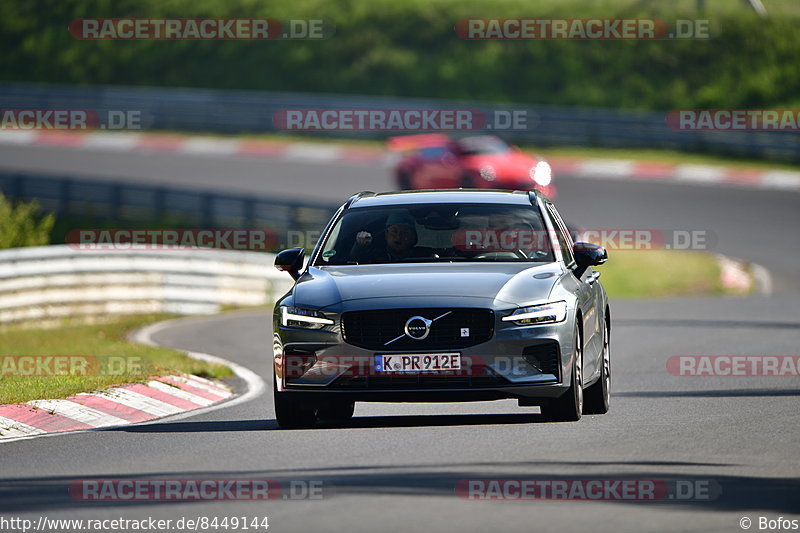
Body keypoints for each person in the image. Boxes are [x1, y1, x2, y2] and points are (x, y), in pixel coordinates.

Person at [351, 213, 434, 263]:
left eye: (405, 233)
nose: (398, 236)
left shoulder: (424, 258)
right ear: (386, 234)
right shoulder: (371, 257)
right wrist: (359, 246)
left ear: (413, 238)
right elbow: (351, 262)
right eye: (394, 231)